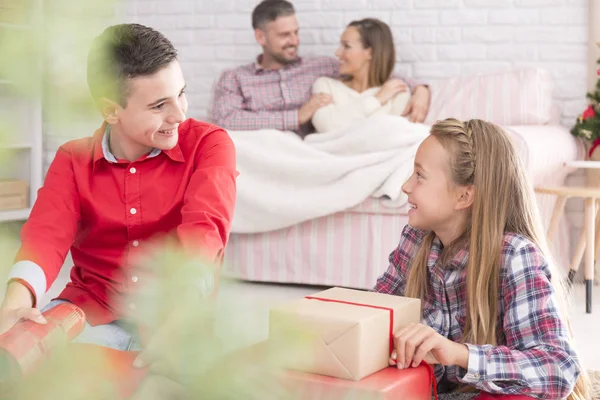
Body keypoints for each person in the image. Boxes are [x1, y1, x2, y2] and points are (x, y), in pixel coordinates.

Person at [0, 23, 237, 369]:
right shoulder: (73, 159)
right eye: (159, 106)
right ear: (111, 110)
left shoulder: (210, 144)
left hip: (176, 319)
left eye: (181, 93)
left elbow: (205, 230)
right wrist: (14, 302)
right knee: (21, 365)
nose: (180, 114)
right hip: (88, 314)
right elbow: (45, 236)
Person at [373, 119, 589, 400]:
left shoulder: (514, 255)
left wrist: (458, 354)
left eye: (419, 175)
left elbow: (558, 370)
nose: (405, 186)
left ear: (464, 195)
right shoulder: (415, 240)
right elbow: (376, 314)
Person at [211, 0, 430, 136]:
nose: (294, 41)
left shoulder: (320, 67)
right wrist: (297, 116)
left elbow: (374, 71)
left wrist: (420, 89)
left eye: (296, 32)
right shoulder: (235, 78)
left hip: (302, 150)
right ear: (261, 36)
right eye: (285, 35)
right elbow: (228, 120)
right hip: (262, 147)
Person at [311, 18, 418, 133]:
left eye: (346, 46)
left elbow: (394, 136)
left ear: (370, 53)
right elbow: (327, 127)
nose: (337, 53)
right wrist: (376, 100)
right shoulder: (325, 85)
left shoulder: (397, 91)